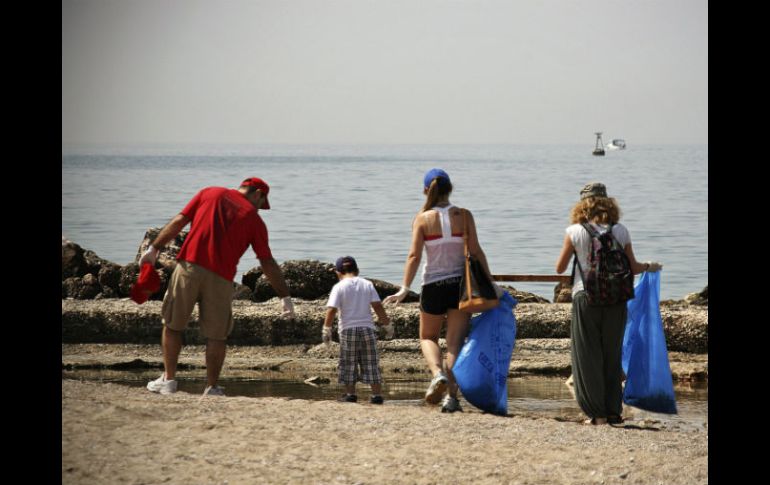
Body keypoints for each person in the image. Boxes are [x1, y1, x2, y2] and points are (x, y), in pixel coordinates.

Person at [139, 177, 296, 397]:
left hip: (189, 268)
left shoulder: (209, 192)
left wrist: (154, 248)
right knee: (216, 336)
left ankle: (169, 380)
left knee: (173, 325)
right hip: (222, 279)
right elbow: (267, 262)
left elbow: (179, 220)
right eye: (262, 204)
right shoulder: (254, 221)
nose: (260, 209)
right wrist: (285, 297)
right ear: (258, 193)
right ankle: (211, 387)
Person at [383, 168, 496, 413]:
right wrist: (490, 283)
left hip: (432, 285)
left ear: (426, 190)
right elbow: (476, 251)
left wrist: (404, 288)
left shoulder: (422, 219)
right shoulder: (464, 216)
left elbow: (414, 256)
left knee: (427, 337)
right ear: (450, 189)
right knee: (454, 343)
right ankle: (451, 399)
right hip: (459, 287)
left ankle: (437, 374)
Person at [555, 182, 662, 425]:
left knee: (587, 355)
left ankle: (597, 413)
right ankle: (614, 411)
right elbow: (634, 268)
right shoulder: (621, 230)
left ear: (582, 205)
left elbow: (560, 268)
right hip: (616, 299)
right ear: (608, 202)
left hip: (586, 297)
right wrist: (650, 267)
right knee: (612, 355)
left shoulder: (574, 231)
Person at [323, 256, 393, 404]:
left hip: (348, 330)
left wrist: (326, 329)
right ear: (357, 270)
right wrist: (387, 325)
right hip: (368, 329)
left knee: (348, 362)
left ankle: (350, 394)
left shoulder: (339, 287)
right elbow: (378, 306)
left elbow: (331, 310)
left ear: (338, 272)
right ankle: (376, 395)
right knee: (371, 362)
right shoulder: (367, 284)